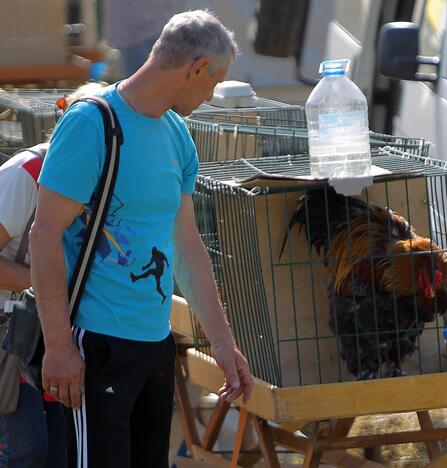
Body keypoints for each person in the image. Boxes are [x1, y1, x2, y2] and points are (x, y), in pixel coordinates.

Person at [30, 10, 253, 468]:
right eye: (214, 83)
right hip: (95, 346)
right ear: (196, 68)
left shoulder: (177, 135)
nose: (211, 95)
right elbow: (44, 235)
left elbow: (189, 248)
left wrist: (224, 346)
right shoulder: (92, 124)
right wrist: (58, 345)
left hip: (155, 346)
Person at [0, 82, 105, 468]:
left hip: (53, 332)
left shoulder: (103, 180)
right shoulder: (26, 174)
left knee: (60, 451)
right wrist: (45, 285)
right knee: (28, 450)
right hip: (9, 333)